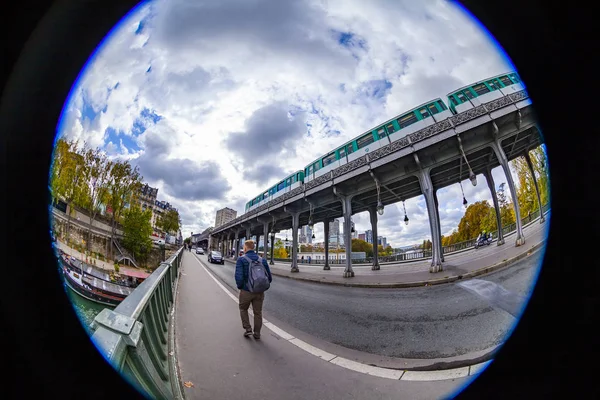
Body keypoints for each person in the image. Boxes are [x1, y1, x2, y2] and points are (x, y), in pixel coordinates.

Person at [235, 239, 272, 339]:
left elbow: (239, 277)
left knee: (243, 309)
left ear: (246, 247)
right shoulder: (262, 260)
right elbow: (269, 277)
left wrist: (241, 287)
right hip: (260, 291)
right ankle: (257, 333)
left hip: (246, 291)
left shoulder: (241, 259)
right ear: (254, 248)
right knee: (258, 313)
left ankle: (248, 329)